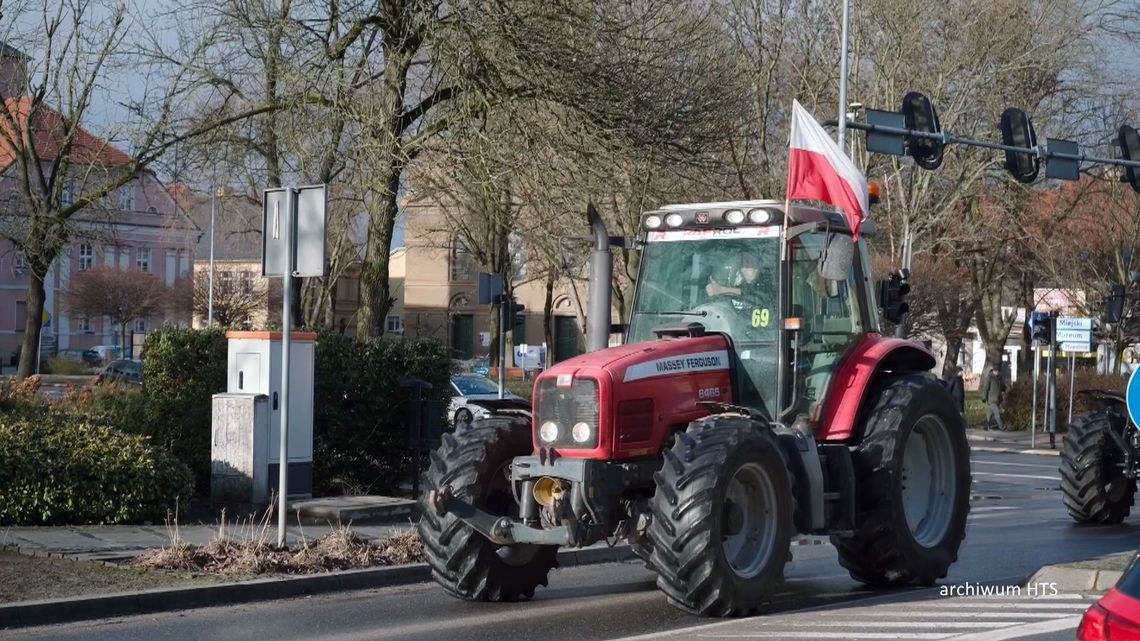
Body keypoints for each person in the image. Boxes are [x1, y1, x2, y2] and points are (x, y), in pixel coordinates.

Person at [981, 364, 1007, 431]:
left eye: (998, 371)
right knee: (997, 413)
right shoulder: (989, 378)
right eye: (995, 371)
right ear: (993, 371)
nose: (997, 372)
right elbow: (985, 388)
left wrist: (1005, 389)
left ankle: (986, 426)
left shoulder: (1000, 378)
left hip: (998, 399)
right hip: (991, 399)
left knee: (989, 415)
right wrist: (984, 397)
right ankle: (1002, 427)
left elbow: (1003, 387)